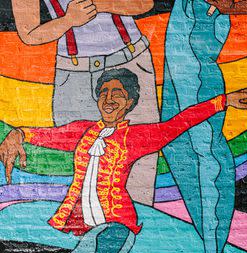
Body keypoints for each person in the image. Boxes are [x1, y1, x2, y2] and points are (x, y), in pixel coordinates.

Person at [0, 68, 247, 253]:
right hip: (90, 230)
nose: (109, 98)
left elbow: (177, 124)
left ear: (129, 102)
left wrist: (224, 101)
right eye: (103, 93)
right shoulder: (84, 131)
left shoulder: (134, 138)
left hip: (116, 228)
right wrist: (17, 134)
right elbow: (47, 135)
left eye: (117, 94)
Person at [161, 0, 247, 253]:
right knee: (177, 144)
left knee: (205, 147)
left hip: (200, 26)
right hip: (186, 20)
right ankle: (214, 250)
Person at [12, 0, 160, 206]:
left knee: (139, 171)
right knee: (84, 175)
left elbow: (144, 3)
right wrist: (69, 20)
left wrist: (99, 4)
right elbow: (29, 33)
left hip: (130, 63)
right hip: (74, 77)